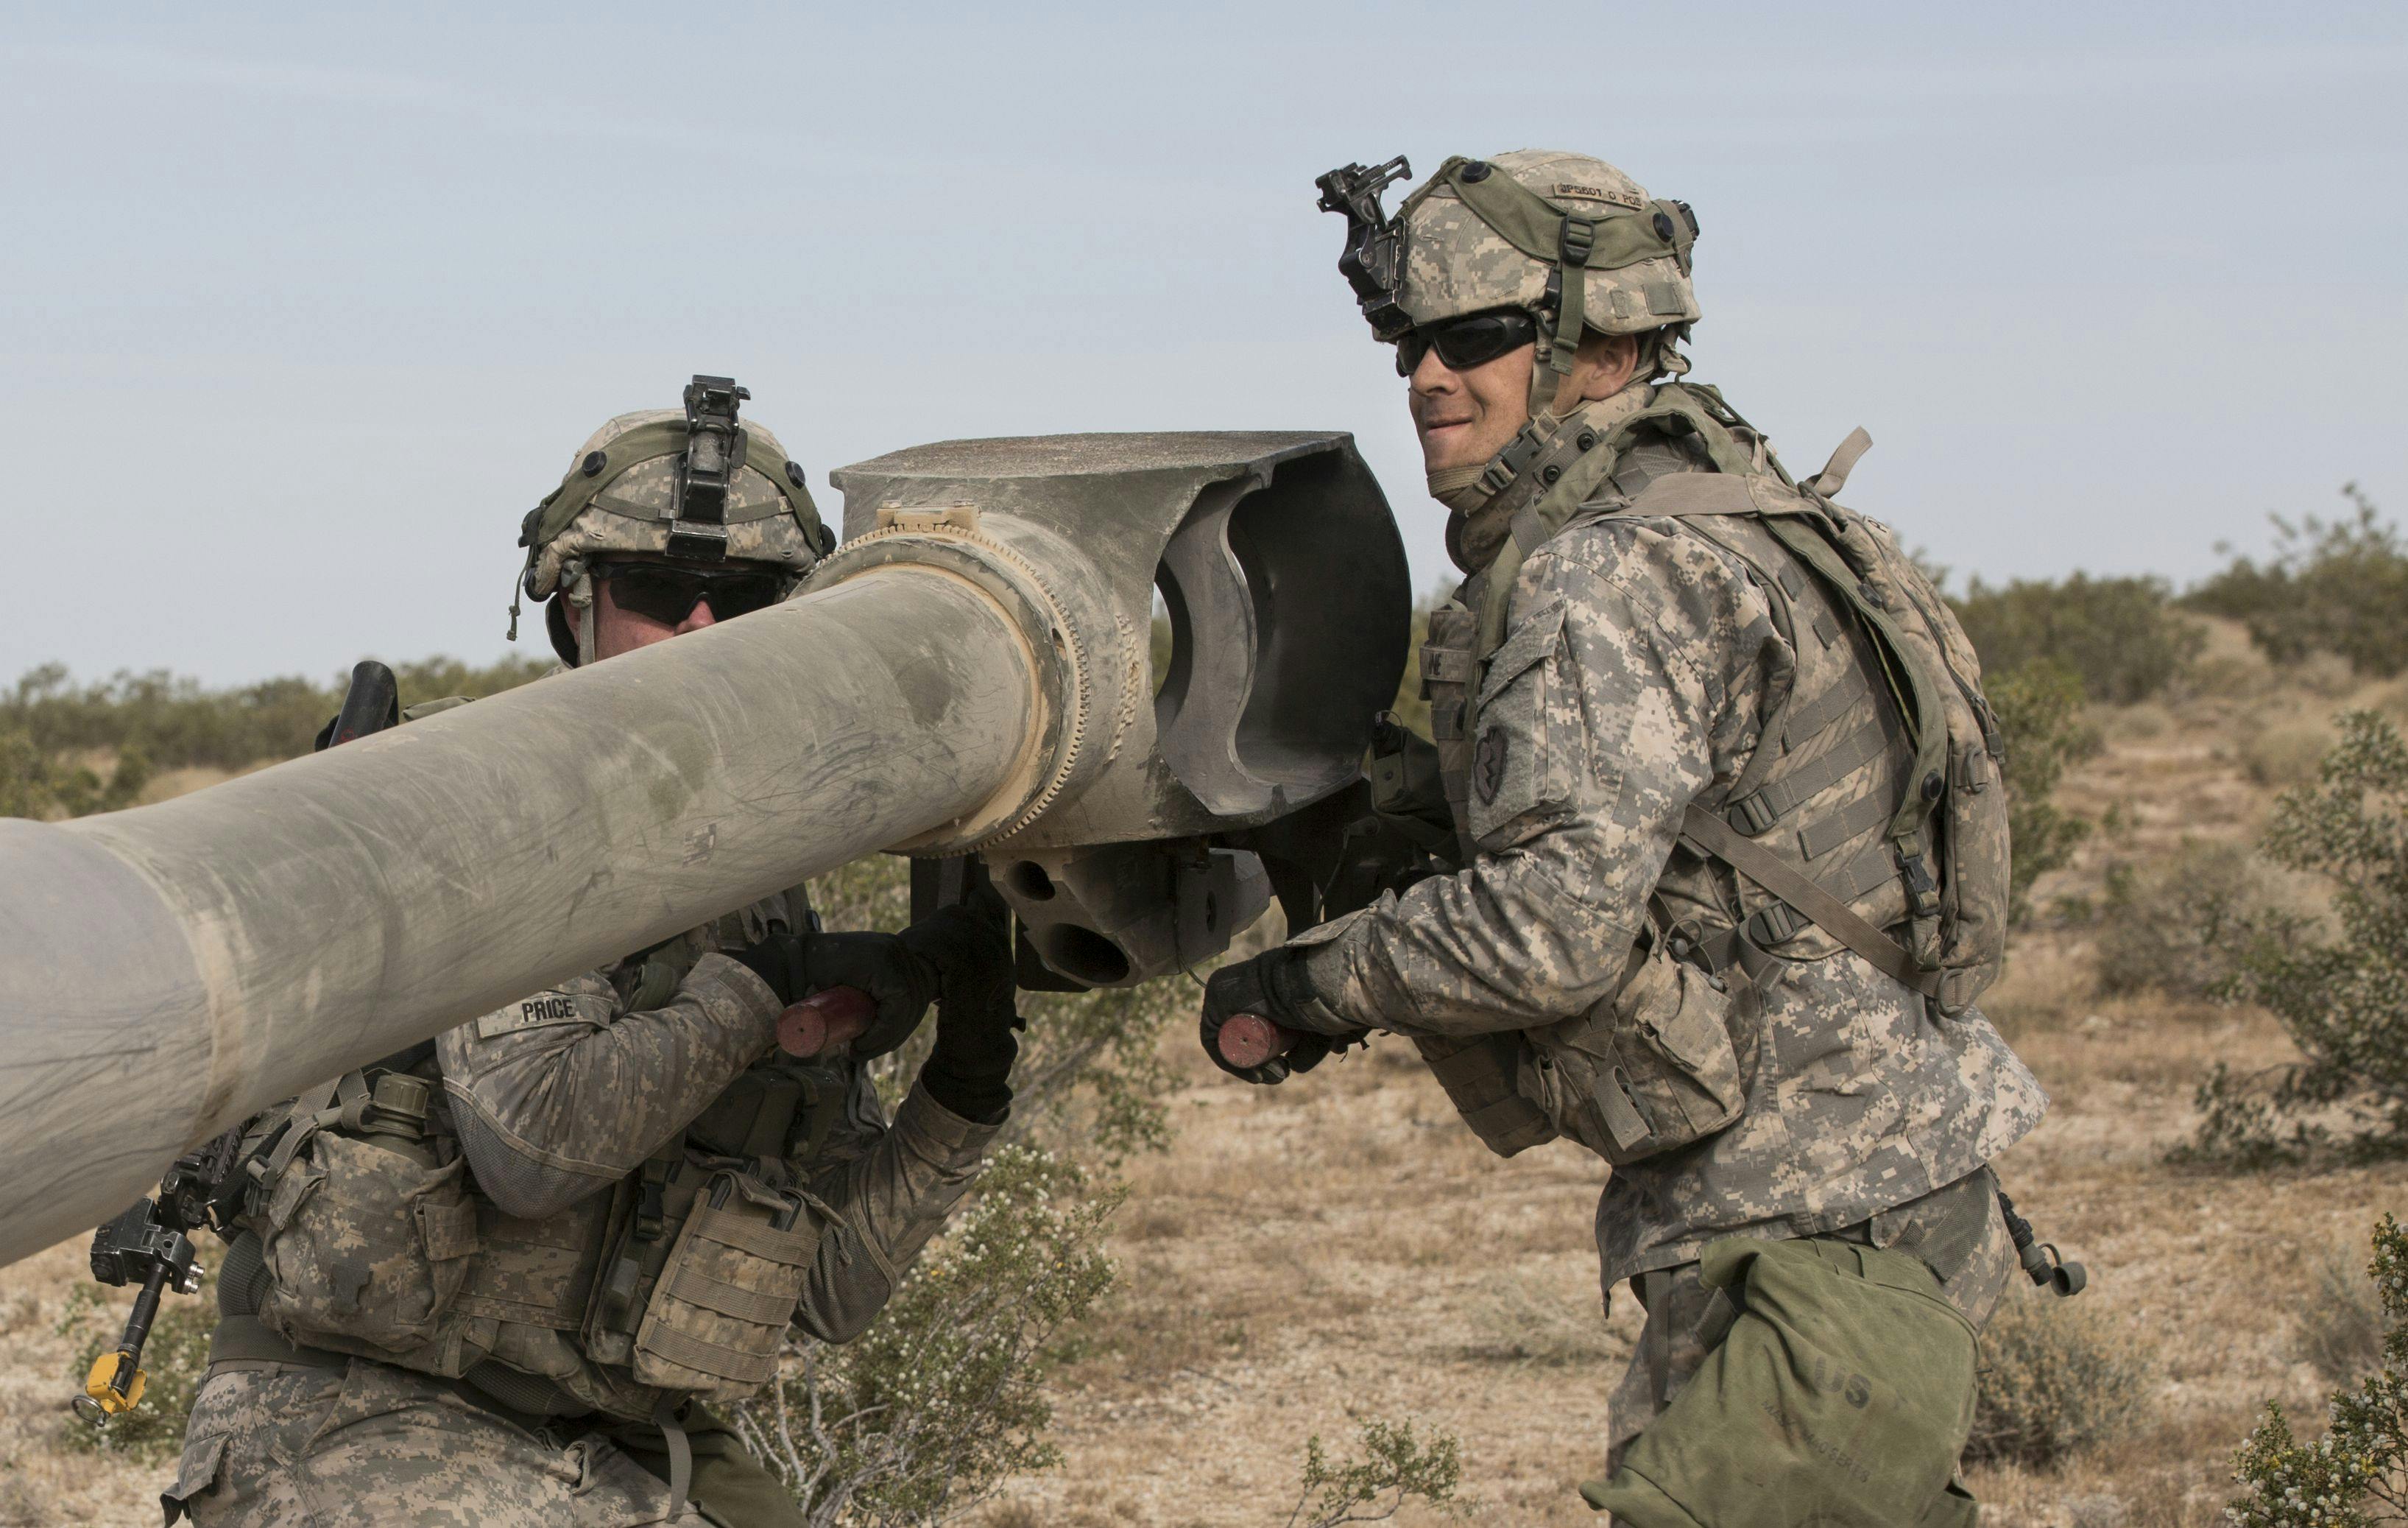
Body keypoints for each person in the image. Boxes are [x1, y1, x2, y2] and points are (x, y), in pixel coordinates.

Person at [1202, 153, 2051, 1524]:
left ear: (1599, 345)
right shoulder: (1743, 509)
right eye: (1409, 340)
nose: (1426, 375)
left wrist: (1304, 984)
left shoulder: (1610, 567)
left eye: (1473, 338)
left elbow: (1548, 930)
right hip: (1893, 1188)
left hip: (1804, 1240)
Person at [163, 378, 1022, 1527]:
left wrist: (962, 1093)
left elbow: (825, 1288)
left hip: (612, 1434)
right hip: (364, 1412)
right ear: (574, 606)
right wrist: (758, 997)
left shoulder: (765, 873)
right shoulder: (498, 805)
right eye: (662, 591)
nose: (706, 628)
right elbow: (536, 1142)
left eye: (751, 594)